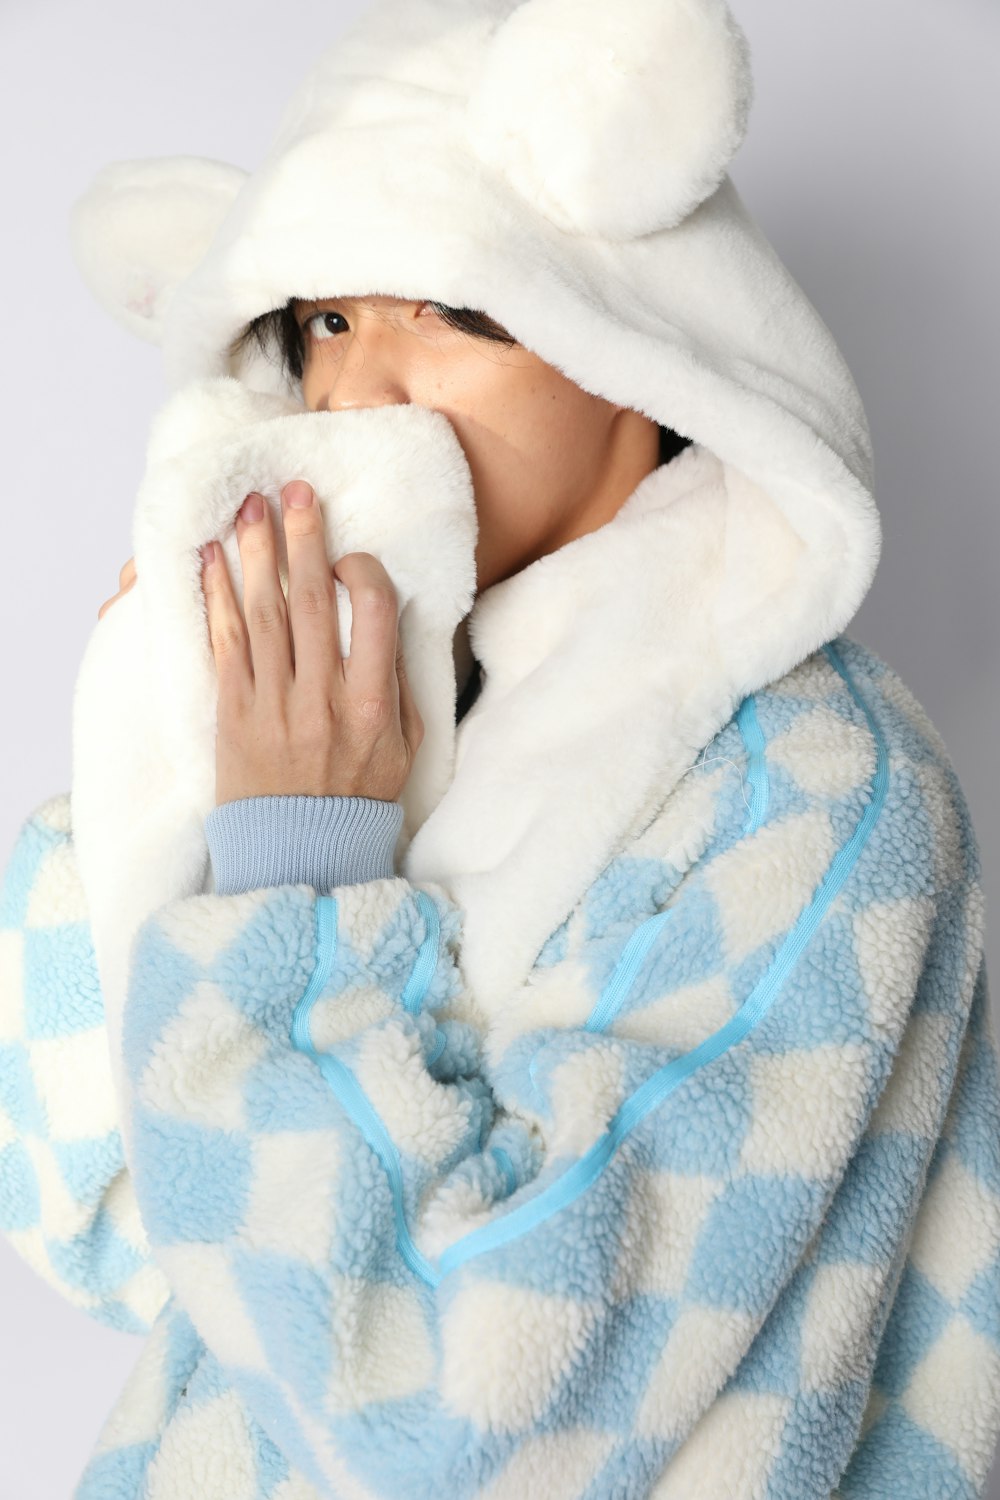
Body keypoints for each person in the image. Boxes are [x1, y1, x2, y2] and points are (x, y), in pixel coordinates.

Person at [3, 2, 1000, 1497]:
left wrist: (298, 883)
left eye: (457, 315)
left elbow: (458, 1418)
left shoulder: (824, 792)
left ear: (641, 358)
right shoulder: (381, 729)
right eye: (326, 321)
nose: (363, 393)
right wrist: (151, 770)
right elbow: (108, 1226)